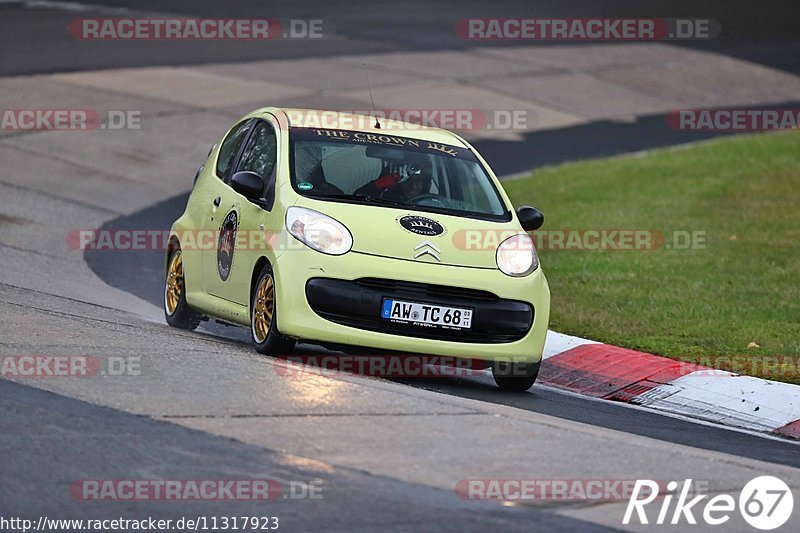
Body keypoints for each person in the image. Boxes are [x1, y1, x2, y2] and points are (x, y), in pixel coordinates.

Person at [356, 154, 434, 202]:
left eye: (418, 180)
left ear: (425, 183)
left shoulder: (435, 204)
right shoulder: (382, 198)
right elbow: (357, 197)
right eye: (407, 180)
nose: (413, 186)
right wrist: (388, 180)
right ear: (399, 182)